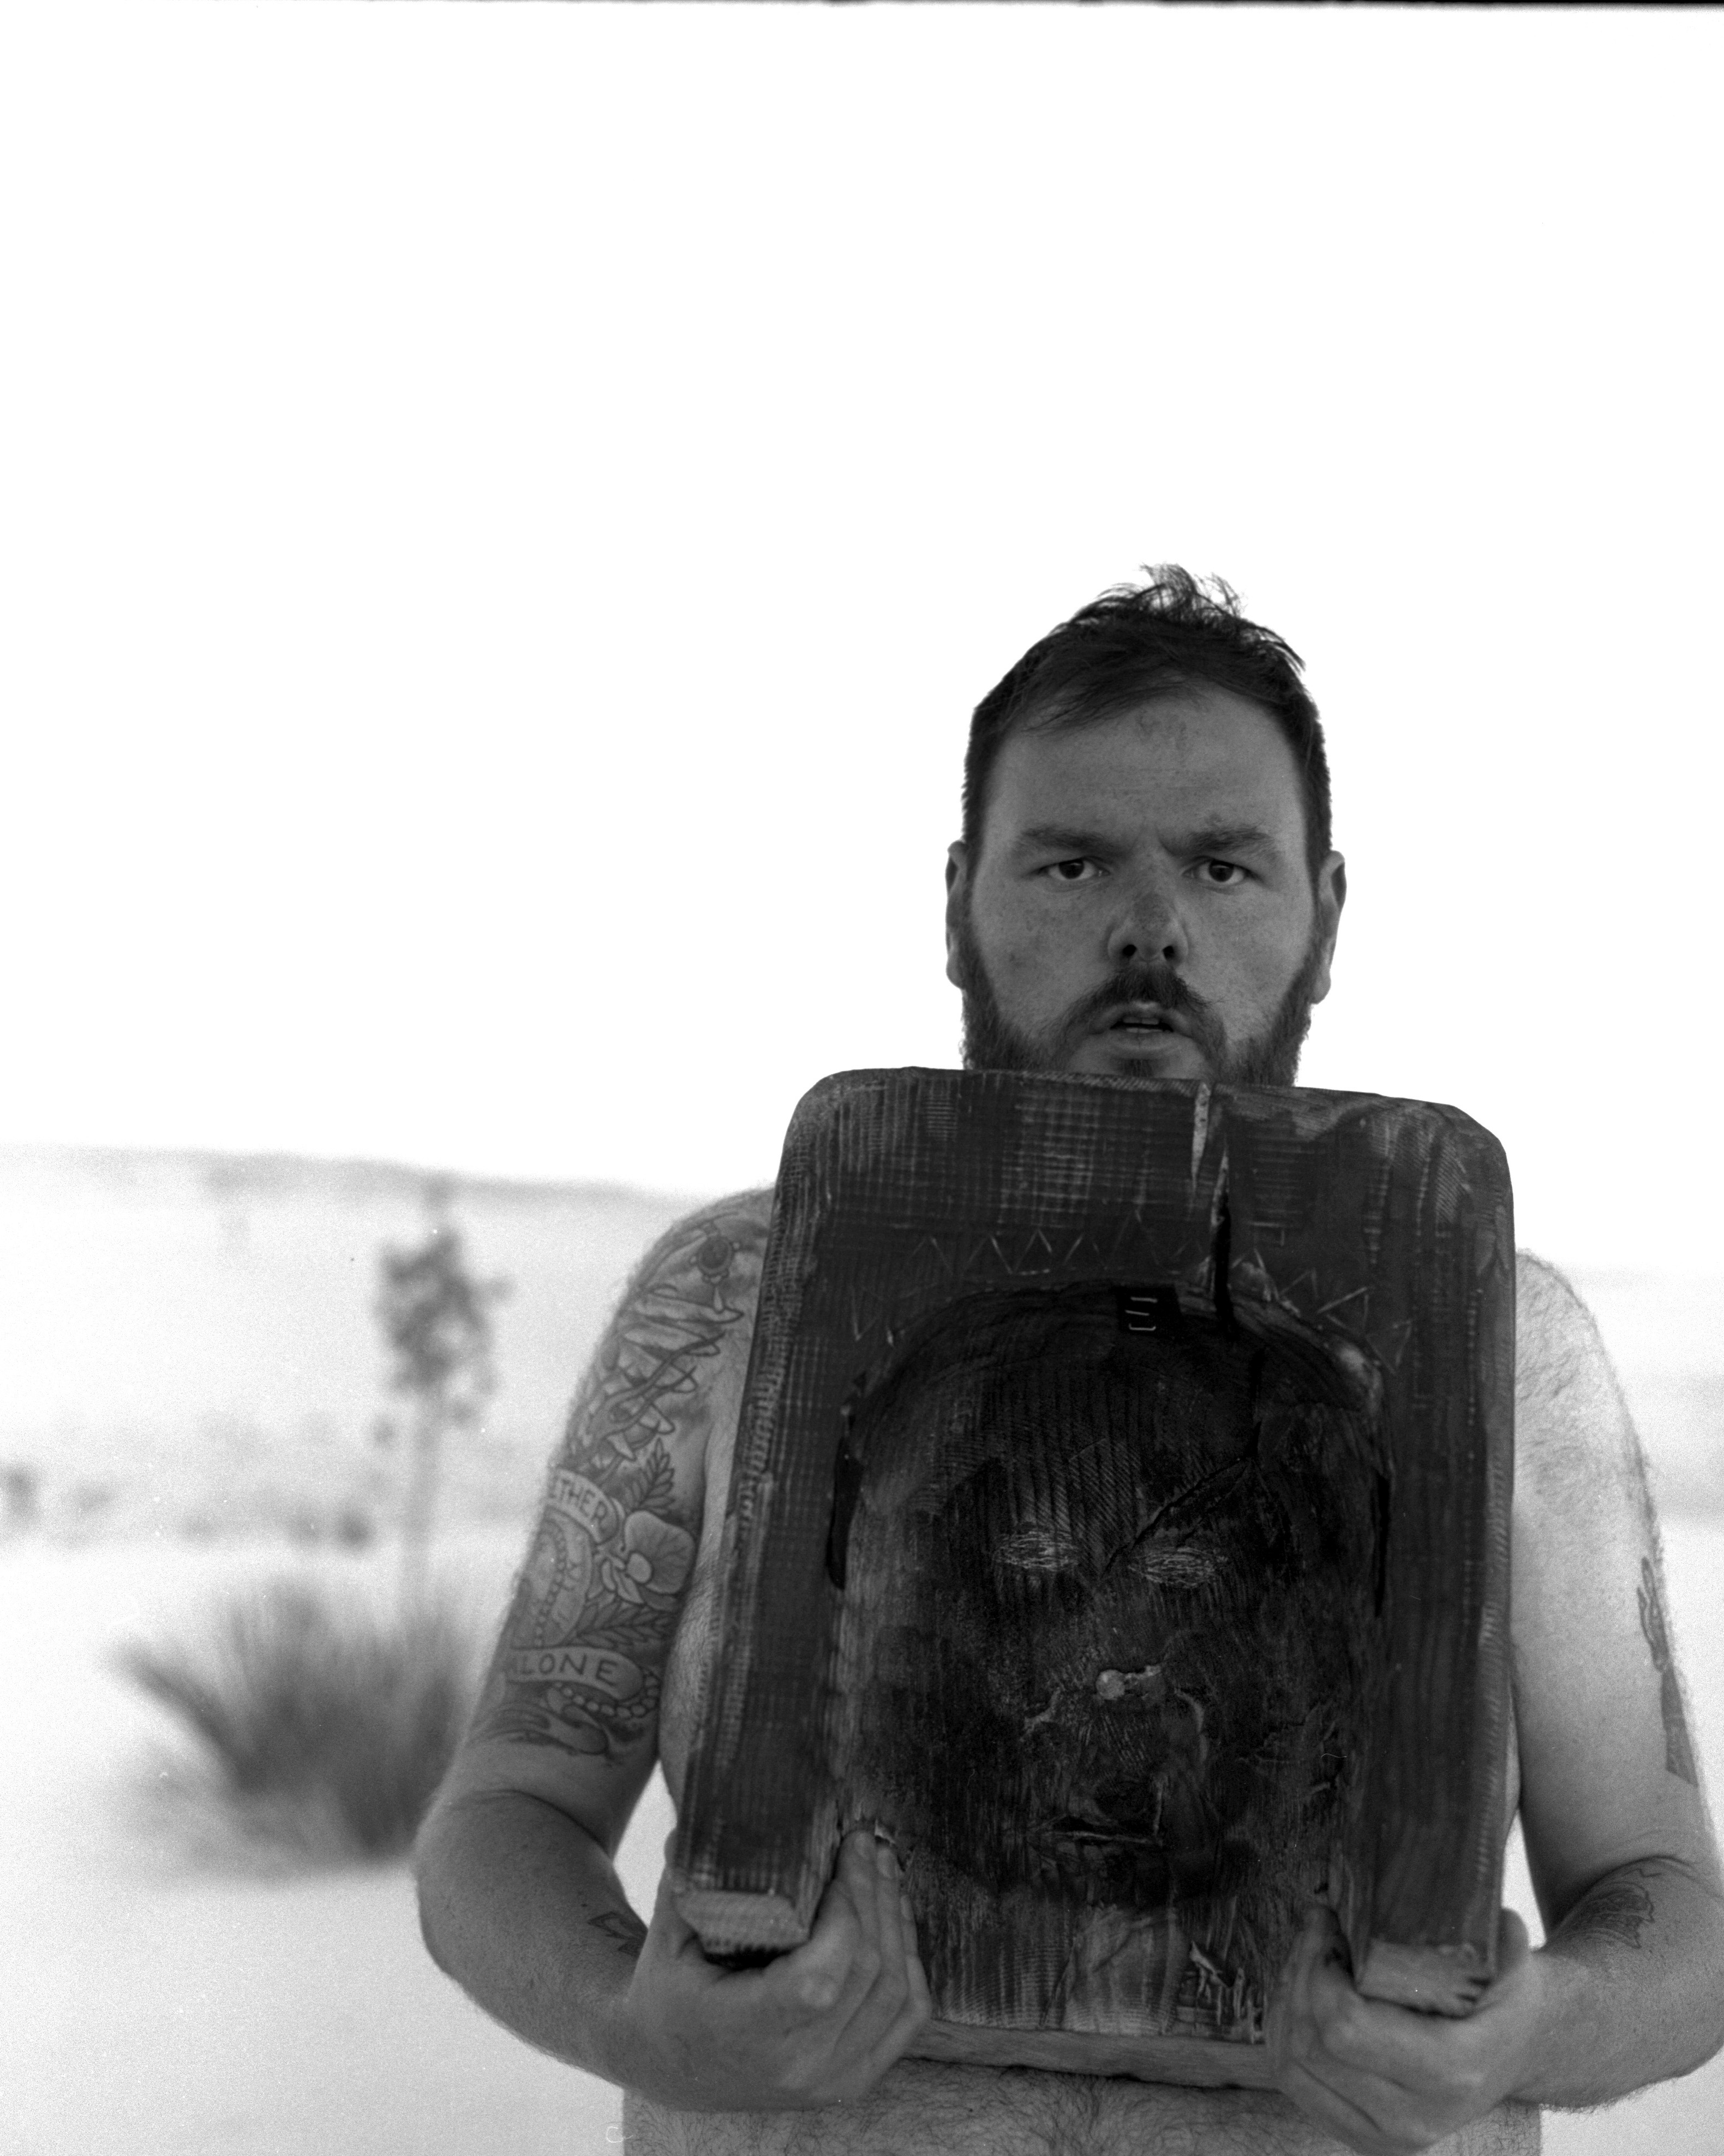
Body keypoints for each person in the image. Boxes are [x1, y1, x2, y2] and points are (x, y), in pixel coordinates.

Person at [415, 569, 1724, 2155]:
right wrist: (639, 2022)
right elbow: (508, 1816)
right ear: (958, 902)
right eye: (1073, 861)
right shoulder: (731, 1300)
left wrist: (1535, 2029)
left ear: (1325, 915)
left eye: (1223, 866)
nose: (1150, 929)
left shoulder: (1504, 1342)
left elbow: (1668, 1907)